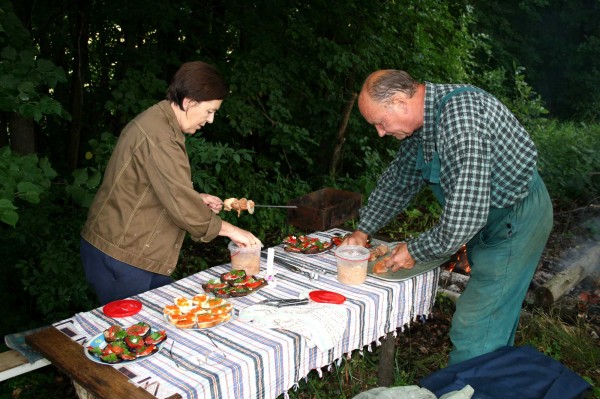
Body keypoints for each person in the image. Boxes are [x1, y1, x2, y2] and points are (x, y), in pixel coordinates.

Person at [342, 69, 553, 365]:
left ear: (401, 101)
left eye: (380, 122)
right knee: (495, 316)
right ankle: (493, 377)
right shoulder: (421, 128)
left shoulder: (460, 120)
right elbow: (398, 182)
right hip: (485, 220)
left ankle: (468, 389)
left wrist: (415, 250)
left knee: (476, 326)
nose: (380, 131)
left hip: (516, 219)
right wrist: (363, 230)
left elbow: (465, 218)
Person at [80, 61, 261, 305]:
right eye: (209, 111)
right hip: (123, 256)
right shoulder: (161, 137)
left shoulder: (159, 123)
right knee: (131, 334)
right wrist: (234, 231)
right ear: (188, 102)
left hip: (134, 252)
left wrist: (193, 197)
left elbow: (154, 185)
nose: (211, 120)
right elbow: (181, 205)